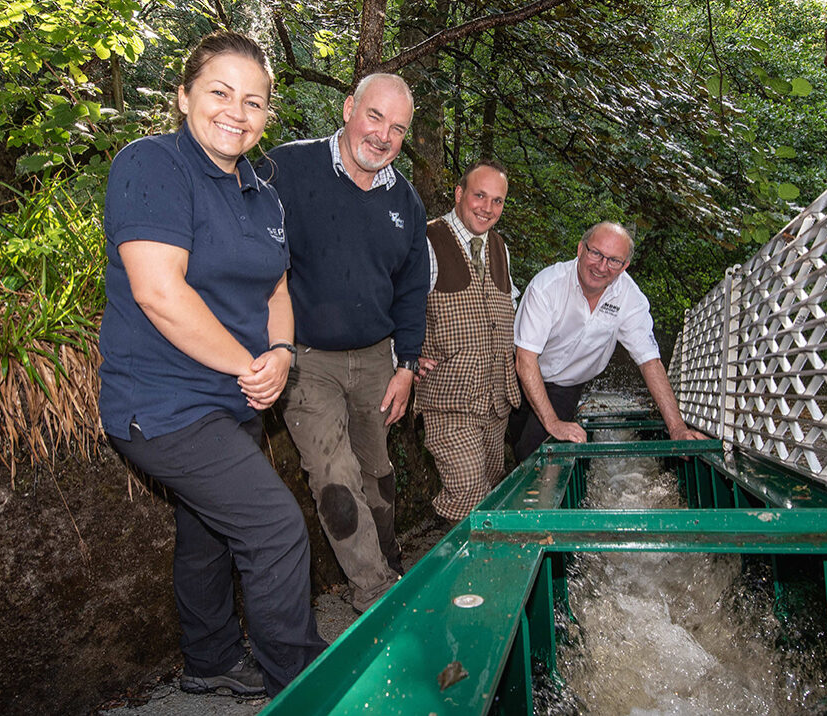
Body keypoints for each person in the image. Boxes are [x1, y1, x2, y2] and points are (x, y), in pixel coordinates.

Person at [97, 31, 327, 697]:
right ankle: (307, 685)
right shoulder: (152, 165)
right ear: (183, 97)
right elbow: (158, 291)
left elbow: (278, 292)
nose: (237, 111)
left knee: (208, 534)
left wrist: (280, 354)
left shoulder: (263, 193)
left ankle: (210, 662)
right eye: (220, 92)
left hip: (236, 400)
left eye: (254, 101)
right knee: (276, 527)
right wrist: (249, 366)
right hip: (163, 404)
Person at [261, 74, 428, 614]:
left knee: (377, 469)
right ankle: (376, 593)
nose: (382, 136)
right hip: (306, 360)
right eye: (375, 117)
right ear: (349, 106)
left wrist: (405, 365)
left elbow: (410, 291)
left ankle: (388, 559)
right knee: (333, 475)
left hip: (378, 358)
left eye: (397, 128)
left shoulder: (406, 201)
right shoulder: (286, 170)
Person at [510, 221, 707, 461]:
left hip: (567, 385)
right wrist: (552, 422)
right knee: (512, 437)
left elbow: (649, 361)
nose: (602, 266)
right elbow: (525, 360)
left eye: (614, 260)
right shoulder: (547, 287)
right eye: (596, 253)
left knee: (537, 450)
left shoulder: (629, 298)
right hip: (521, 372)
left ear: (625, 266)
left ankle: (534, 488)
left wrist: (677, 429)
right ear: (581, 249)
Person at [415, 161, 521, 523]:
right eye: (479, 196)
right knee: (470, 495)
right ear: (460, 194)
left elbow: (509, 307)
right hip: (449, 399)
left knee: (491, 490)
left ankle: (479, 570)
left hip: (496, 401)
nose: (487, 208)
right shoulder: (427, 239)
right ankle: (460, 576)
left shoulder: (500, 248)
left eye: (497, 201)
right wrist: (404, 354)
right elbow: (394, 301)